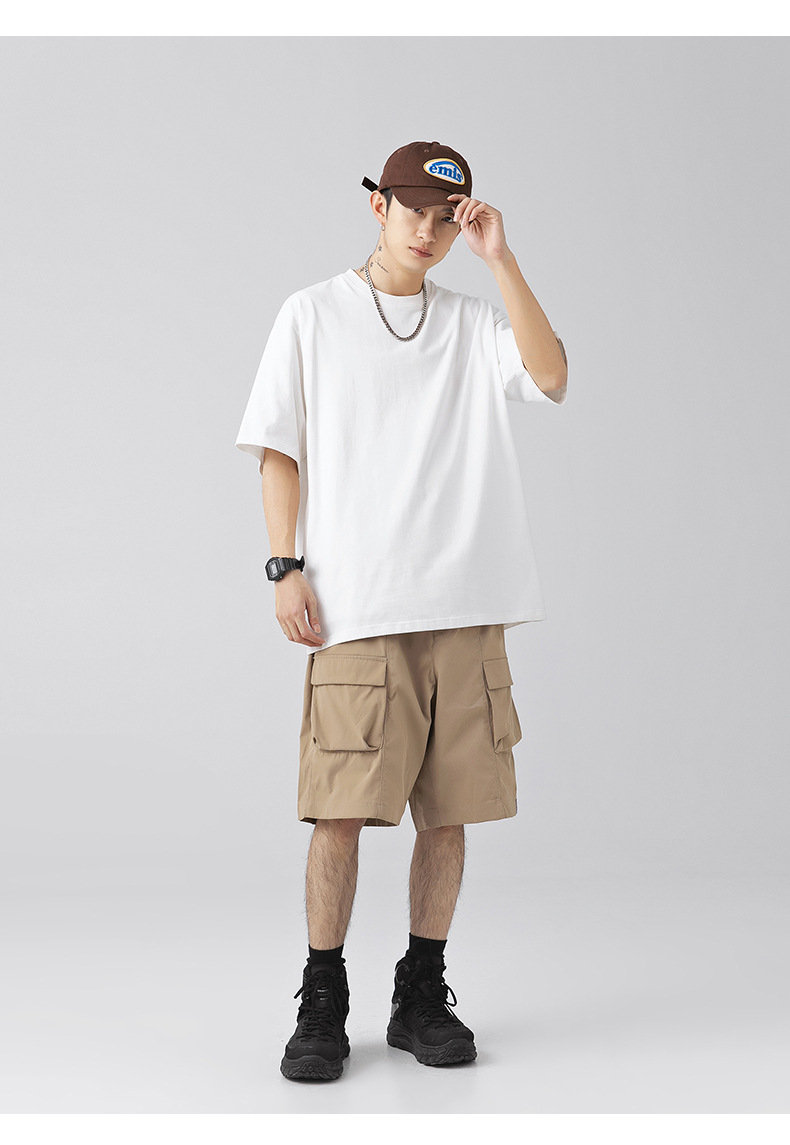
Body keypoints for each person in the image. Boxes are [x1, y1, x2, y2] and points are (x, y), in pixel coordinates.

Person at [235, 141, 568, 1081]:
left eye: (445, 217)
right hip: (359, 605)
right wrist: (284, 566)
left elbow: (550, 375)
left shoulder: (473, 319)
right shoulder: (312, 314)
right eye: (412, 209)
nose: (427, 230)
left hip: (467, 605)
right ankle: (323, 996)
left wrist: (501, 259)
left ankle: (421, 992)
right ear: (377, 205)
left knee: (448, 813)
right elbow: (278, 448)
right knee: (339, 812)